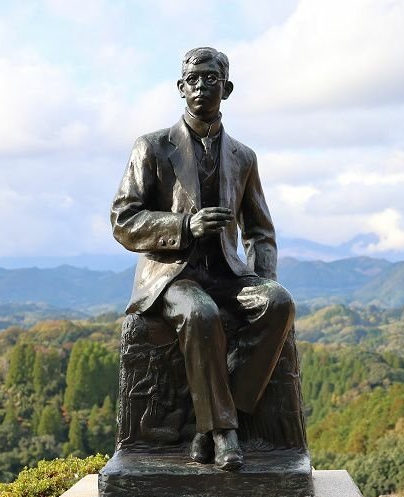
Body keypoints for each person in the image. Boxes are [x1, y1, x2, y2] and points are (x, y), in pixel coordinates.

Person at [111, 47, 294, 471]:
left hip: (228, 272)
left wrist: (265, 280)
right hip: (173, 275)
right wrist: (183, 226)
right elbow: (124, 220)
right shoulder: (152, 147)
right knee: (200, 313)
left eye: (210, 79)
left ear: (226, 89)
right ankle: (223, 432)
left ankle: (212, 420)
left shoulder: (243, 157)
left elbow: (260, 232)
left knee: (279, 302)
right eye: (192, 80)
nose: (200, 87)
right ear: (180, 88)